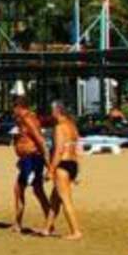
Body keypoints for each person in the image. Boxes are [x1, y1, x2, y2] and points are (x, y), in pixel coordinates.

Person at [9, 100, 53, 234]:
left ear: (19, 108)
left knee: (25, 188)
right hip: (27, 159)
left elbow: (40, 140)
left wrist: (49, 165)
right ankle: (19, 223)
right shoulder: (21, 120)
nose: (13, 112)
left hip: (33, 159)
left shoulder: (28, 119)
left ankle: (21, 223)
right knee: (33, 190)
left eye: (14, 109)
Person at [46, 101, 85, 240]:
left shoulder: (59, 127)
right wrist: (78, 170)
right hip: (72, 164)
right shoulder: (72, 125)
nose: (51, 113)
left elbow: (59, 150)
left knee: (65, 199)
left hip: (62, 164)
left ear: (57, 111)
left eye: (52, 111)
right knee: (54, 199)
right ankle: (47, 228)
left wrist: (51, 169)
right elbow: (79, 148)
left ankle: (76, 231)